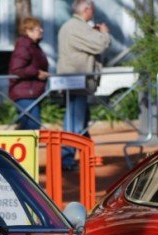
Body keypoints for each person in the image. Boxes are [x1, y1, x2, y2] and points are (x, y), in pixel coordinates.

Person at [57, 0, 110, 170]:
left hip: (74, 82)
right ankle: (67, 160)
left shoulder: (73, 26)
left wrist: (94, 32)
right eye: (92, 9)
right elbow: (99, 45)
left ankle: (85, 155)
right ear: (86, 9)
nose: (93, 12)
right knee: (75, 124)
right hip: (76, 82)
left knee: (80, 121)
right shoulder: (76, 27)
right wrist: (104, 33)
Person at [8, 17, 49, 130]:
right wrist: (37, 73)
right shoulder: (24, 45)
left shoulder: (34, 46)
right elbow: (17, 69)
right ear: (28, 30)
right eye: (38, 28)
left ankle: (15, 139)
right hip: (25, 92)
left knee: (29, 126)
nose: (41, 30)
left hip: (32, 91)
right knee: (32, 125)